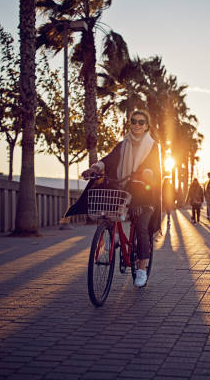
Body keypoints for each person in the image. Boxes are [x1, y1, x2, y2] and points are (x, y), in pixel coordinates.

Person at [68, 109, 161, 288]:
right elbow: (109, 159)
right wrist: (95, 168)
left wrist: (148, 173)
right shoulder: (123, 144)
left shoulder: (152, 146)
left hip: (145, 194)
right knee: (108, 207)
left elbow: (154, 166)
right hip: (125, 190)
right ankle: (115, 235)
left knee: (141, 227)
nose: (137, 125)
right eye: (134, 121)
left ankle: (141, 268)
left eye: (141, 122)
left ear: (147, 126)